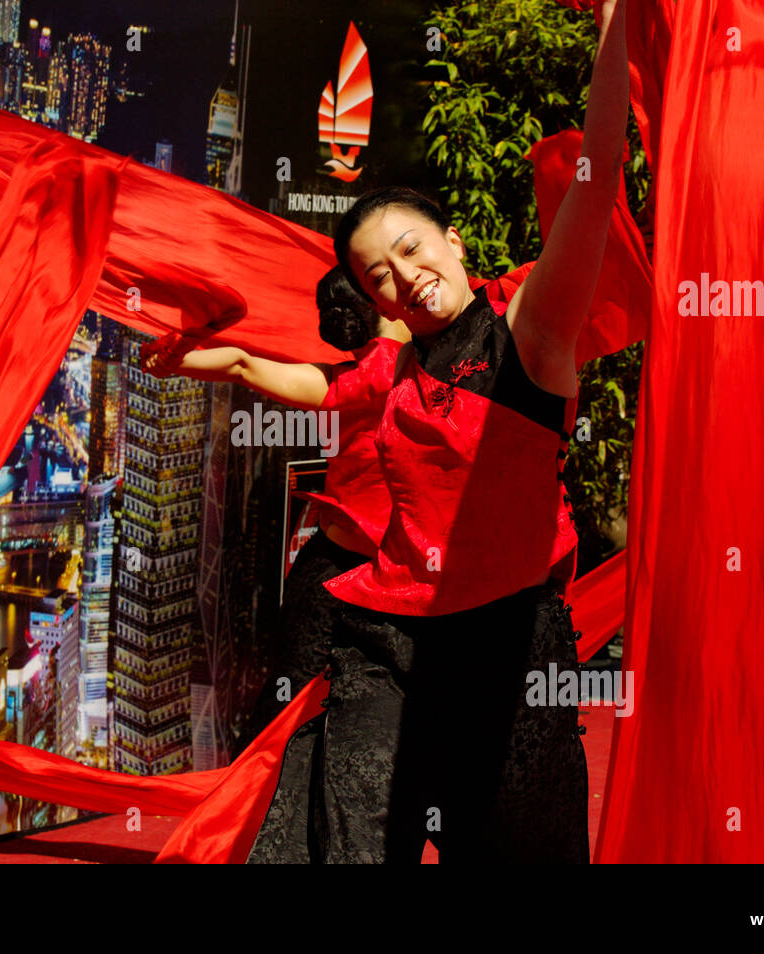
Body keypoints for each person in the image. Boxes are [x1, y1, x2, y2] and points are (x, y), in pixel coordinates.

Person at [275, 0, 628, 863]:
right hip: (388, 645)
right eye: (378, 275)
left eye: (411, 248)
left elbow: (596, 184)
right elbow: (301, 384)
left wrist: (617, 33)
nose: (404, 277)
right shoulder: (388, 368)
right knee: (347, 839)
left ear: (456, 242)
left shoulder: (533, 334)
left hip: (512, 655)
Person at [142, 267, 411, 826]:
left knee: (286, 711)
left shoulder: (339, 384)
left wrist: (173, 360)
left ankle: (241, 820)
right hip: (390, 580)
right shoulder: (421, 366)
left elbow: (241, 363)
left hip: (334, 568)